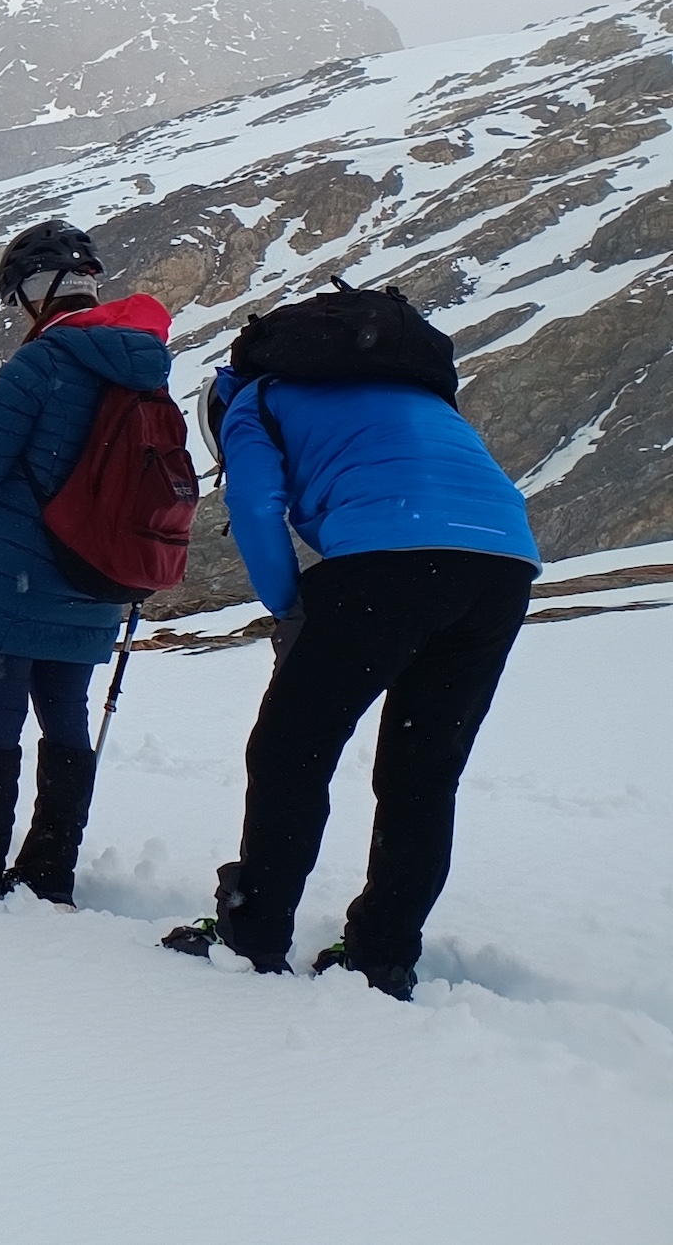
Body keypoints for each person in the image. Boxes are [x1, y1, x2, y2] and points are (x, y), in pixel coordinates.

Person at [160, 357, 539, 999]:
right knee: (423, 770)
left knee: (291, 751)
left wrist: (291, 609)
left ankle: (251, 933)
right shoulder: (402, 384)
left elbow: (255, 505)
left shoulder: (252, 398)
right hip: (503, 565)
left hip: (389, 557)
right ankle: (383, 955)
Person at [0, 221, 164, 904]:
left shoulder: (39, 363)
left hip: (15, 579)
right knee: (67, 719)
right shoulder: (141, 364)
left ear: (35, 292)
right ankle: (51, 867)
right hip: (95, 577)